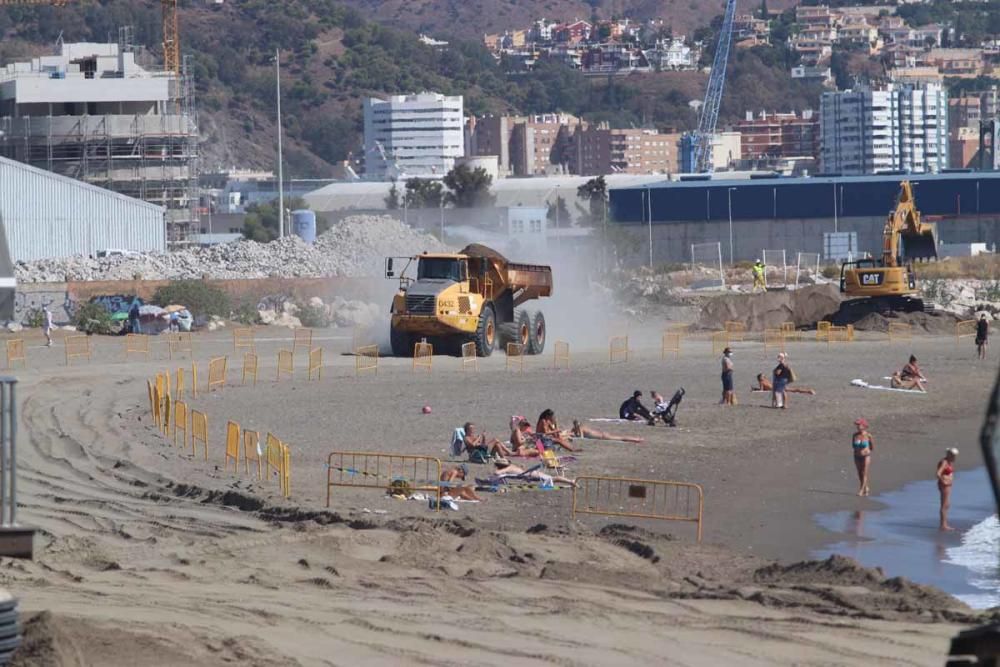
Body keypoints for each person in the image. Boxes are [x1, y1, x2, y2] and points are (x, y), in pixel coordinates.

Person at [493, 459, 576, 487]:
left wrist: (500, 473)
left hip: (530, 474)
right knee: (552, 479)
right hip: (529, 474)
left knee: (552, 479)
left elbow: (496, 473)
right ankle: (568, 479)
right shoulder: (511, 466)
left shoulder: (509, 468)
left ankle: (571, 481)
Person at [571, 419, 643, 443]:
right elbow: (571, 431)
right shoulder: (580, 427)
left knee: (621, 438)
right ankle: (637, 439)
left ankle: (636, 439)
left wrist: (574, 435)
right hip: (601, 434)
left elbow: (581, 437)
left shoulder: (580, 428)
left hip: (602, 436)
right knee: (620, 437)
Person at [937, 448, 958, 531]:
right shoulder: (944, 462)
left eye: (955, 455)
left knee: (947, 504)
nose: (954, 457)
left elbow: (949, 473)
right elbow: (938, 473)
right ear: (948, 454)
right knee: (944, 505)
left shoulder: (949, 462)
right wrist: (943, 481)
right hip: (944, 485)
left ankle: (944, 524)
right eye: (952, 455)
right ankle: (943, 525)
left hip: (948, 485)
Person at [852, 418, 874, 497]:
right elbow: (853, 446)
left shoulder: (868, 435)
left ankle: (861, 490)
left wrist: (866, 451)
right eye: (857, 425)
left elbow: (872, 446)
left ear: (864, 426)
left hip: (866, 456)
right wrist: (857, 450)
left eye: (859, 425)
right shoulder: (855, 435)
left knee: (864, 473)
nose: (857, 426)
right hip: (857, 456)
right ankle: (866, 487)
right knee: (859, 473)